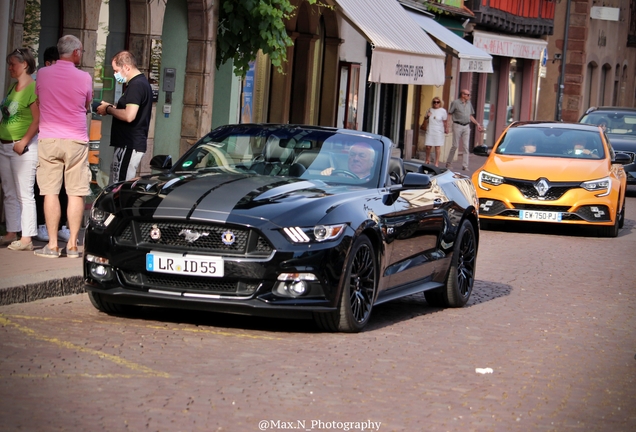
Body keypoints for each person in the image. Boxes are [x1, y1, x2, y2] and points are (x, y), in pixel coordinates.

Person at [35, 35, 93, 258]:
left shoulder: (42, 73)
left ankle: (51, 244)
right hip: (76, 139)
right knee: (76, 193)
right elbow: (87, 103)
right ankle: (72, 245)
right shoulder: (85, 77)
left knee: (50, 191)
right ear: (76, 52)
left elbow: (40, 98)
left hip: (49, 137)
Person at [0, 48, 40, 251]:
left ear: (24, 64)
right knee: (9, 191)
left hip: (21, 147)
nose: (10, 68)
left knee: (24, 192)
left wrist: (23, 141)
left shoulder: (32, 88)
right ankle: (12, 231)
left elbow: (37, 119)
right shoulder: (13, 87)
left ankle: (26, 237)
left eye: (12, 64)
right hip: (6, 144)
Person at [96, 50, 152, 184]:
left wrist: (108, 109)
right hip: (127, 144)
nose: (115, 74)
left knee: (119, 186)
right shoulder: (139, 84)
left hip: (129, 144)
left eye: (116, 70)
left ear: (127, 67)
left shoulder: (136, 85)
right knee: (117, 183)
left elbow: (129, 116)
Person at [34, 46, 71, 243]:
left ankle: (62, 226)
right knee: (45, 185)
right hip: (45, 138)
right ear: (48, 64)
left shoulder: (68, 81)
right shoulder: (40, 79)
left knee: (65, 186)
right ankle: (42, 224)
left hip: (67, 138)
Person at [445, 89, 484, 171]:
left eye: (469, 95)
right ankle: (449, 162)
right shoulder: (455, 103)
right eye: (468, 95)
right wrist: (447, 126)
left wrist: (477, 124)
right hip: (457, 125)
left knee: (466, 146)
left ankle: (465, 166)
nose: (469, 96)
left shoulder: (469, 103)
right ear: (462, 95)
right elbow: (449, 114)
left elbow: (470, 116)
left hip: (466, 126)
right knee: (455, 145)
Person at [422, 97, 448, 167]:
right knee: (428, 146)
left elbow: (445, 121)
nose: (436, 103)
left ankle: (436, 162)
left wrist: (446, 129)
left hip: (439, 130)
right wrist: (427, 116)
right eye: (434, 102)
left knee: (437, 147)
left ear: (440, 103)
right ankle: (427, 159)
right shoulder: (429, 110)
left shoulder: (443, 111)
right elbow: (425, 119)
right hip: (430, 129)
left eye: (437, 102)